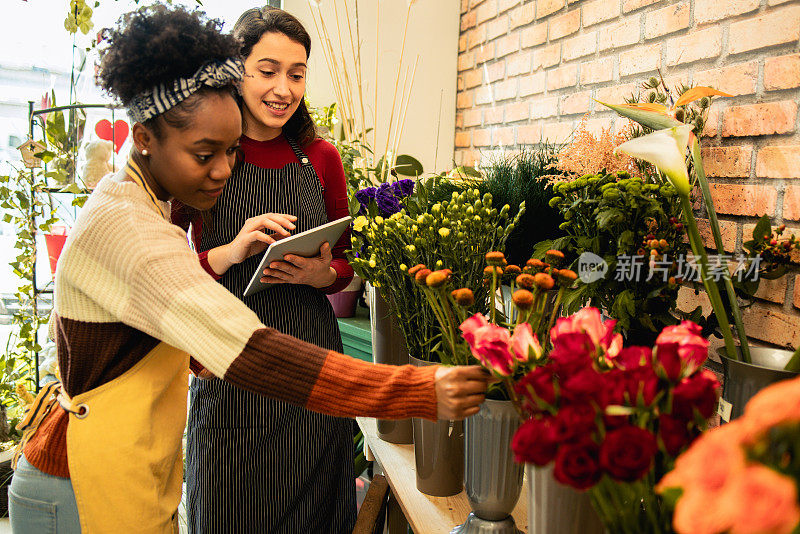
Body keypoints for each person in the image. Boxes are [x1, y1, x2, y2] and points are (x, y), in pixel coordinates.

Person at [8, 6, 491, 533]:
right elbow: (249, 351)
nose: (221, 170)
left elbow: (149, 331)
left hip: (123, 467)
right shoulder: (130, 227)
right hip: (85, 479)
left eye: (232, 151)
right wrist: (415, 390)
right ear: (144, 137)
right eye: (204, 152)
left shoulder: (142, 198)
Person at [172, 6, 363, 533]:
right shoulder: (203, 154)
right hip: (230, 363)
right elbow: (162, 271)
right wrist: (230, 251)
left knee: (315, 517)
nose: (284, 88)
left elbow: (346, 261)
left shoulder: (320, 157)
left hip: (312, 362)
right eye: (268, 70)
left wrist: (322, 276)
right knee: (228, 510)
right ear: (238, 70)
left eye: (297, 73)